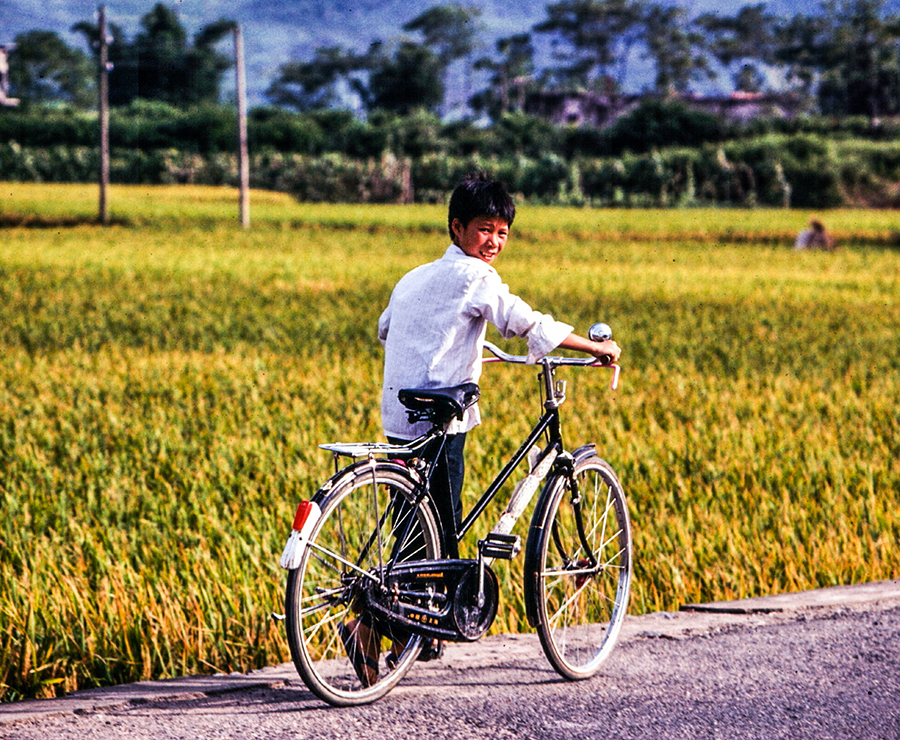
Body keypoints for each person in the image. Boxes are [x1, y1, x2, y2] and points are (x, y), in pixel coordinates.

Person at [340, 172, 622, 687]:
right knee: (439, 532)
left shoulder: (414, 276)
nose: (492, 241)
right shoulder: (477, 278)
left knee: (416, 522)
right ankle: (372, 622)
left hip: (401, 414)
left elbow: (387, 327)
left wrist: (462, 342)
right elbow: (526, 323)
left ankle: (411, 633)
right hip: (443, 418)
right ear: (457, 228)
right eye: (483, 229)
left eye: (502, 233)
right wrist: (596, 348)